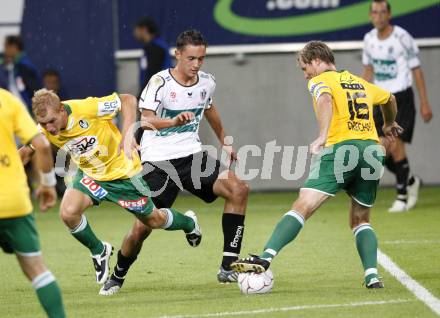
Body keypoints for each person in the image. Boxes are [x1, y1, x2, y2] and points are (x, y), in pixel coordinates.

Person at [231, 41, 401, 289]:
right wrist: (387, 124)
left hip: (342, 150)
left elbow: (324, 100)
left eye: (304, 68)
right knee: (361, 219)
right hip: (372, 151)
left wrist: (322, 136)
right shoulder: (359, 82)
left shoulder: (320, 81)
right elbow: (390, 98)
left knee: (303, 206)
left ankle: (265, 258)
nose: (305, 75)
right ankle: (372, 276)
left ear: (316, 61)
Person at [100, 29, 249, 295]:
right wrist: (171, 121)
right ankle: (118, 274)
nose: (196, 65)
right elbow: (145, 119)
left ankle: (228, 265)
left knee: (238, 188)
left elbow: (209, 107)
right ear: (177, 55)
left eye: (201, 59)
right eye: (191, 58)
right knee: (142, 228)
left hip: (191, 156)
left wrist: (225, 140)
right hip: (158, 162)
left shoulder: (206, 82)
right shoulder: (160, 83)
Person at [19, 88, 201, 288]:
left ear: (62, 109)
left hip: (124, 175)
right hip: (91, 174)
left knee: (153, 220)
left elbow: (128, 100)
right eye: (44, 123)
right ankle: (99, 250)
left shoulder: (87, 108)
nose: (49, 128)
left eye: (52, 121)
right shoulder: (43, 129)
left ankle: (189, 223)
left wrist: (127, 134)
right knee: (68, 213)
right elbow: (25, 153)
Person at [362, 0, 433, 212]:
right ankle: (410, 180)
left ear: (389, 14)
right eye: (375, 12)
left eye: (383, 12)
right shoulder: (368, 39)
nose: (379, 16)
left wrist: (424, 103)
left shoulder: (402, 37)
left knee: (395, 144)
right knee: (378, 150)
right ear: (370, 16)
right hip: (379, 99)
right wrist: (360, 98)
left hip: (400, 97)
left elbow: (416, 70)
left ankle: (401, 197)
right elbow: (368, 71)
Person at [0, 87, 65, 317]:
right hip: (13, 200)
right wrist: (47, 185)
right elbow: (43, 145)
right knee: (37, 270)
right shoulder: (7, 100)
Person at [1, 35, 41, 112]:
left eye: (6, 47)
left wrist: (34, 110)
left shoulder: (23, 66)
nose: (5, 50)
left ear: (14, 47)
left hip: (28, 111)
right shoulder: (16, 65)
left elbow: (33, 89)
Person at [134, 17, 173, 95]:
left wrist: (141, 97)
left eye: (137, 30)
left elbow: (152, 75)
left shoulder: (155, 48)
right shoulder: (151, 47)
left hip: (158, 94)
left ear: (144, 30)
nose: (135, 33)